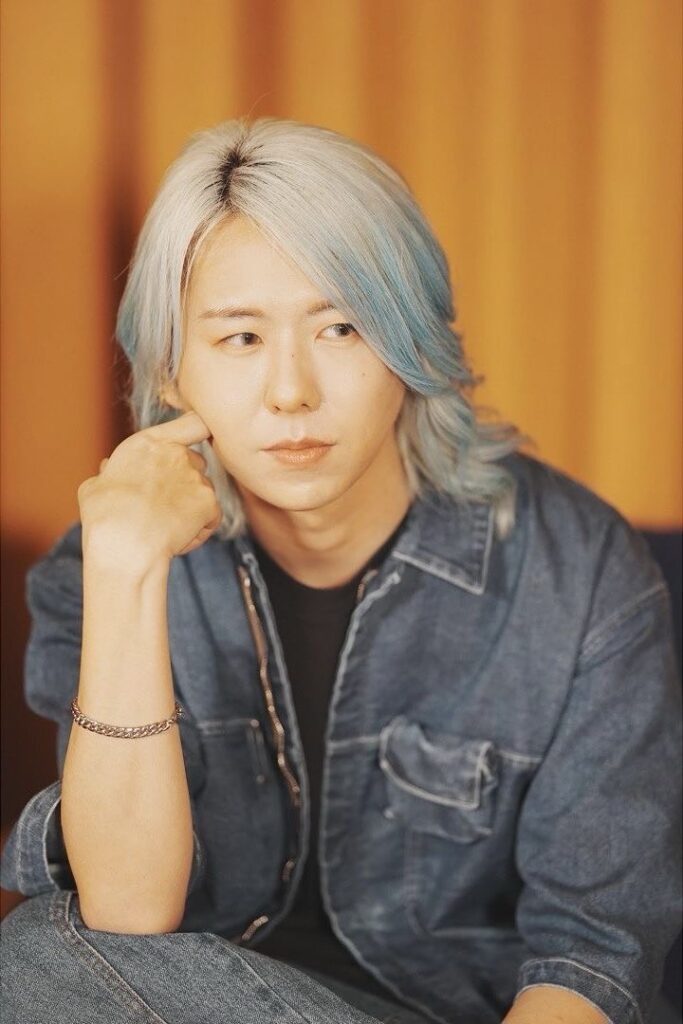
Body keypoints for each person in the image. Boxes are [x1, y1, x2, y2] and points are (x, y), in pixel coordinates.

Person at [1, 116, 680, 1024]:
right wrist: (126, 573)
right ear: (169, 371)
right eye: (241, 339)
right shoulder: (104, 565)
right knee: (44, 956)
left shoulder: (579, 570)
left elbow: (593, 957)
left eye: (342, 328)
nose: (292, 392)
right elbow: (127, 914)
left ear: (410, 346)